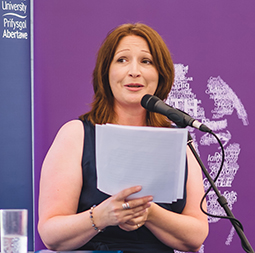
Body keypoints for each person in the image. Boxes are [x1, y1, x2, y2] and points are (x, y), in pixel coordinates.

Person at [38, 23, 209, 253]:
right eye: (122, 60)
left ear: (161, 74)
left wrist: (147, 211)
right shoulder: (76, 135)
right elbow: (51, 234)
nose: (134, 71)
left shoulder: (180, 144)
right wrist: (101, 215)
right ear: (106, 72)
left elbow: (195, 237)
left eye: (146, 61)